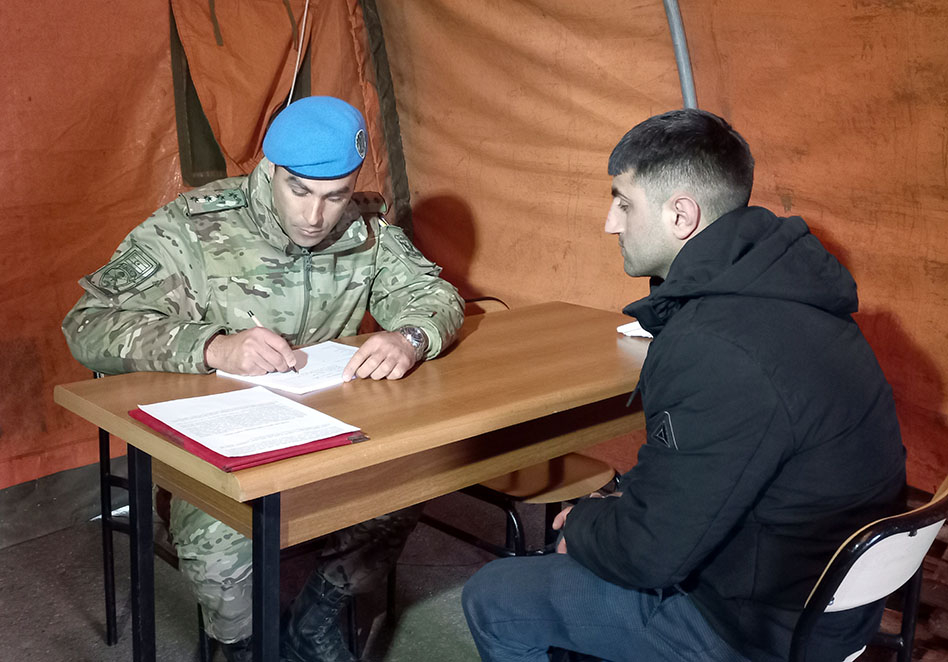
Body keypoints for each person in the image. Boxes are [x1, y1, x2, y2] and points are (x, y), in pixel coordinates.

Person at [462, 109, 906, 662]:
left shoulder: (716, 344)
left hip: (761, 629)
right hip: (823, 597)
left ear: (681, 215)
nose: (610, 223)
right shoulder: (789, 292)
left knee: (495, 597)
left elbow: (650, 555)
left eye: (623, 203)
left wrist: (586, 521)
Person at [63, 95, 465, 662]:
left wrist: (411, 337)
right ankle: (247, 646)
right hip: (218, 446)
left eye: (335, 196)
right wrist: (212, 346)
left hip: (328, 433)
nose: (314, 216)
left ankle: (317, 616)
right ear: (270, 169)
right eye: (298, 190)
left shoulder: (363, 227)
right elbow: (86, 325)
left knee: (409, 478)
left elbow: (433, 295)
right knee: (218, 541)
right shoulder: (194, 228)